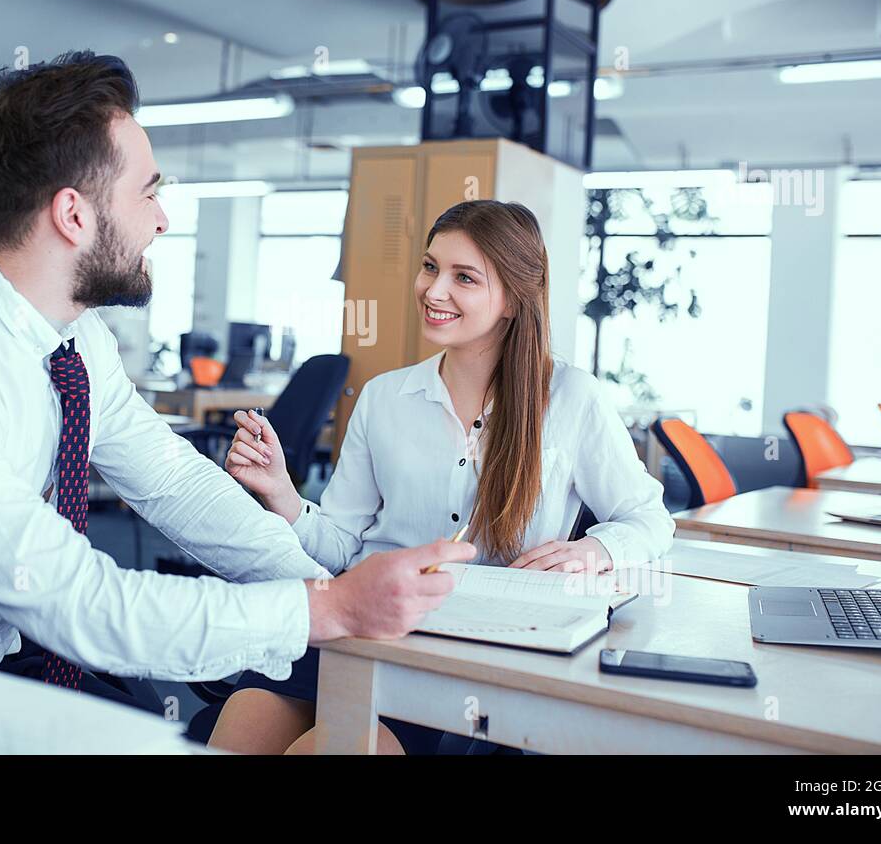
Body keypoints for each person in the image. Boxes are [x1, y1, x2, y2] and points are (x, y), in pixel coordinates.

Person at [0, 51, 473, 741]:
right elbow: (80, 603)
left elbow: (173, 482)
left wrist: (315, 582)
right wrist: (327, 612)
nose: (164, 219)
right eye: (149, 192)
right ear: (73, 215)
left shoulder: (73, 339)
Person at [208, 199, 675, 754]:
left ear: (512, 298)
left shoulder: (572, 399)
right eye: (430, 267)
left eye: (464, 278)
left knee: (336, 748)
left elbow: (649, 519)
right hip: (359, 625)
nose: (433, 290)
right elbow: (340, 544)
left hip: (463, 657)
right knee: (244, 718)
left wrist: (594, 550)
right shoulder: (385, 396)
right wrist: (284, 495)